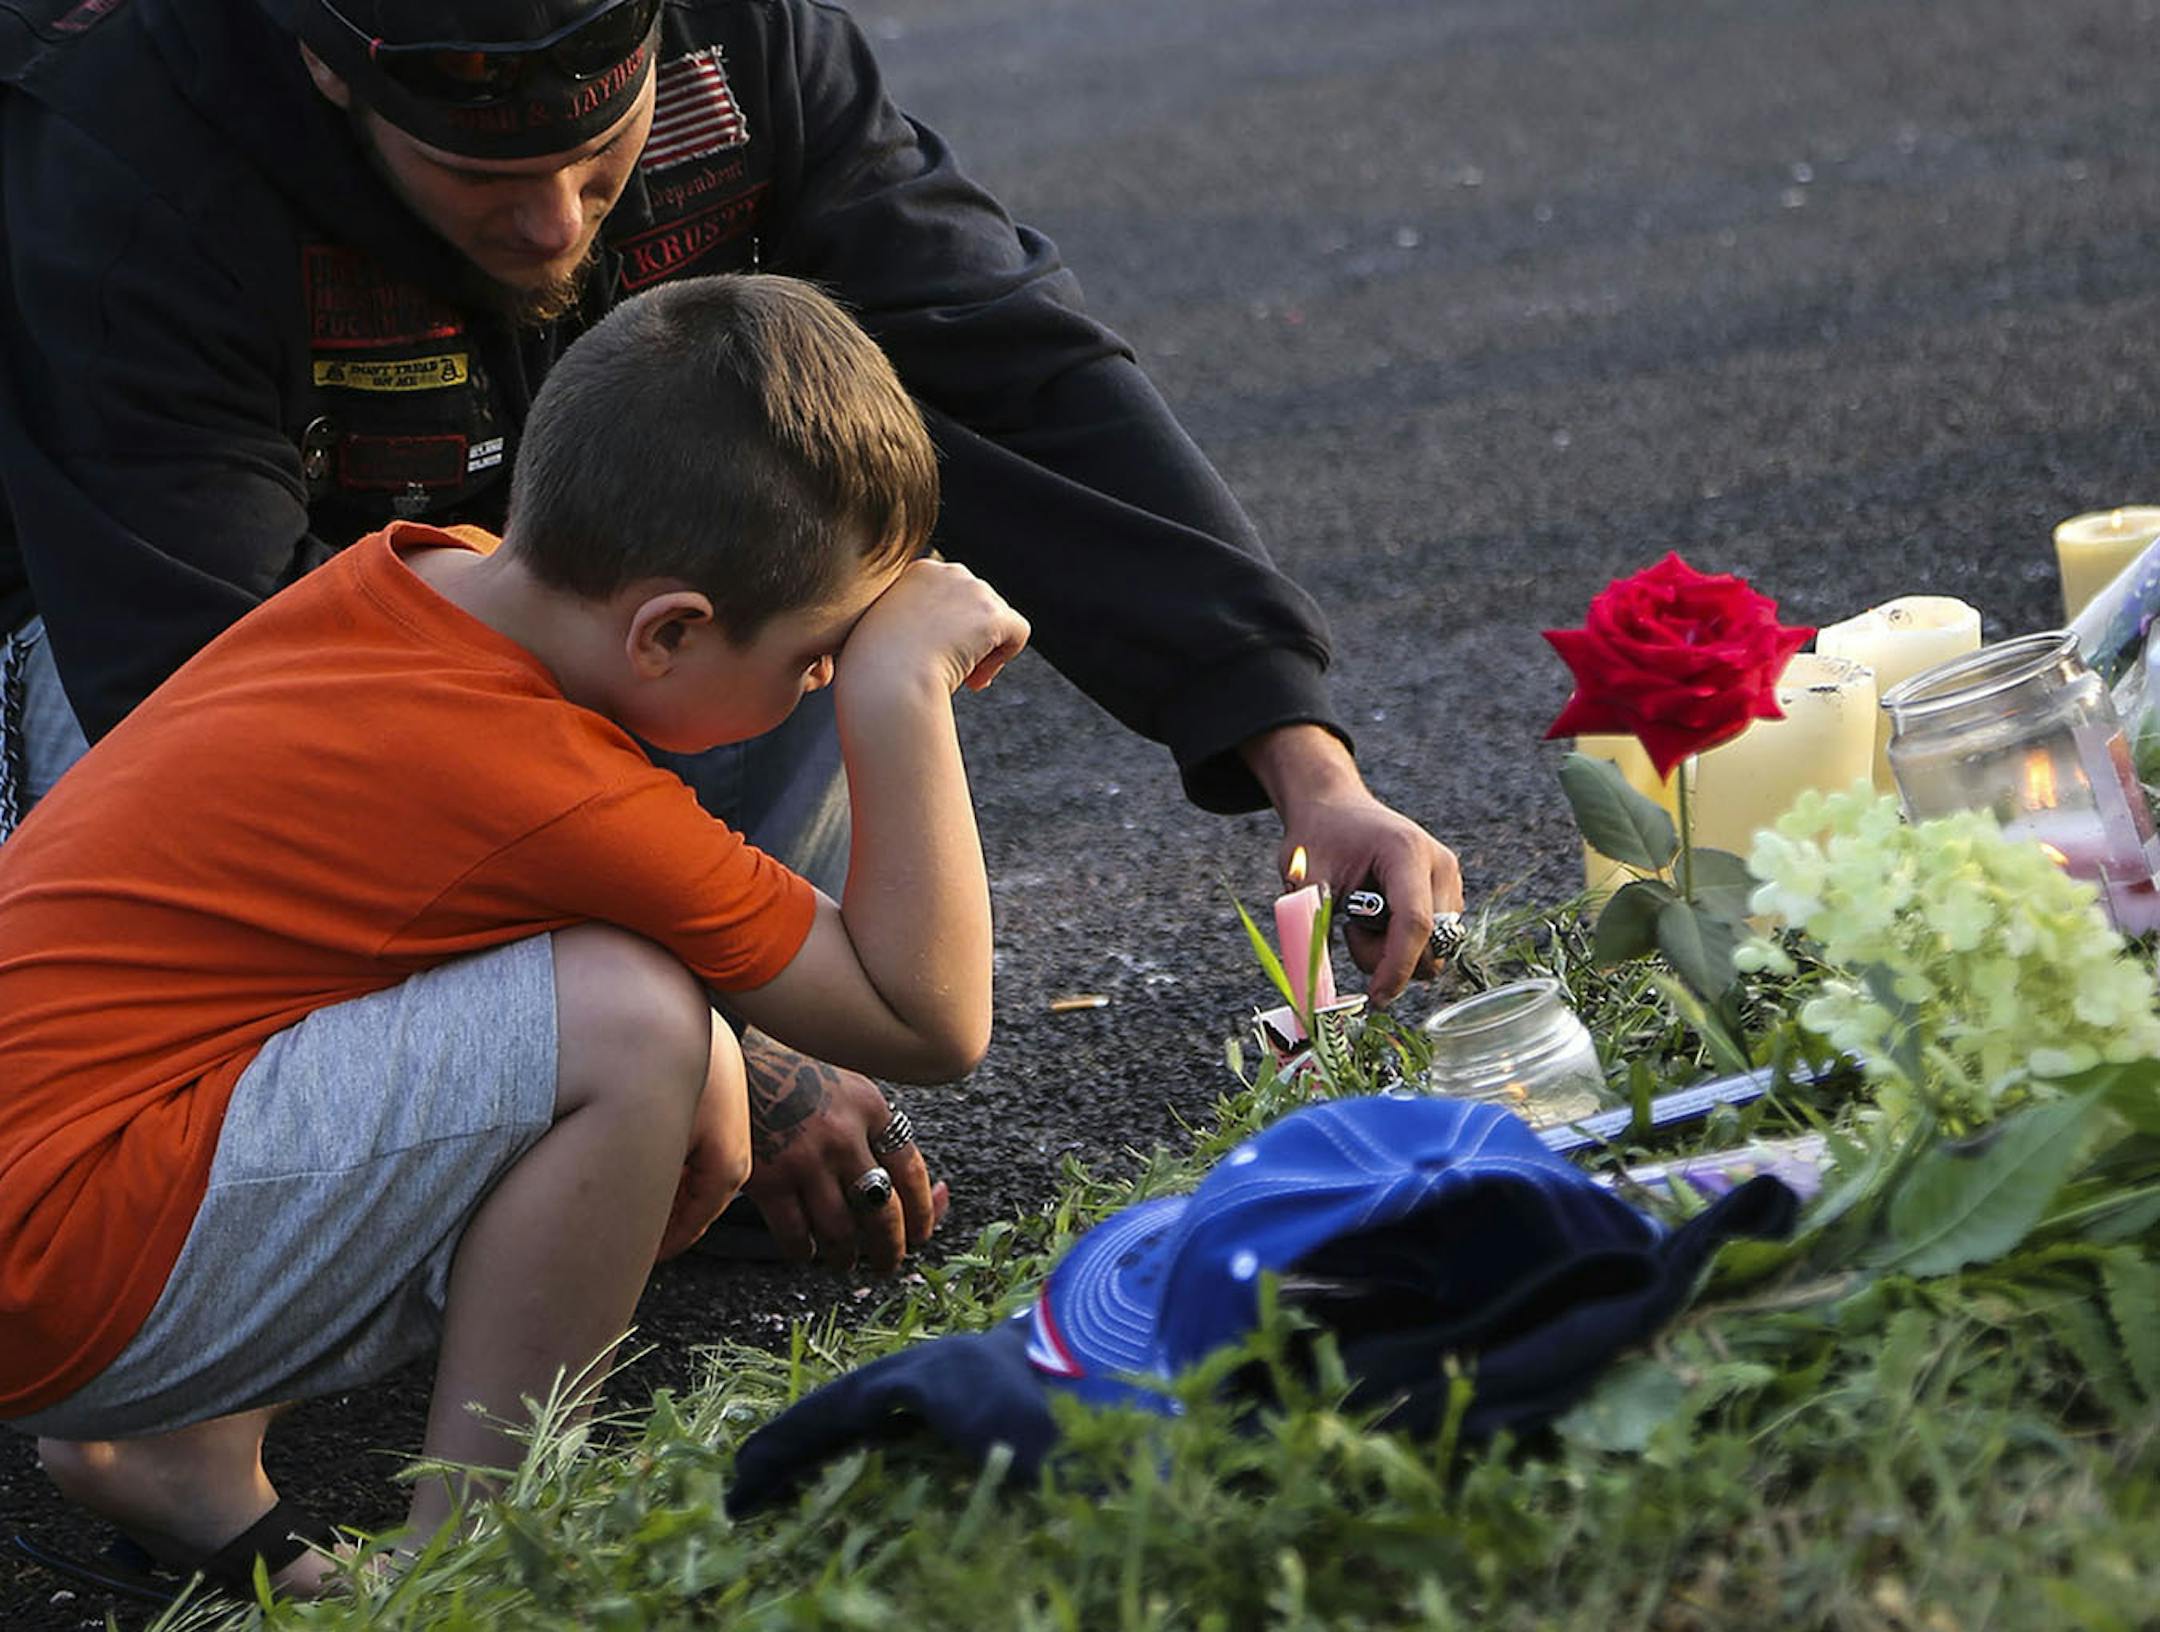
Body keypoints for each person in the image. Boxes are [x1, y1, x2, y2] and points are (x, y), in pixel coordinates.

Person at [0, 0, 1465, 1271]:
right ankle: (373, 1155)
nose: (555, 226)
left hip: (578, 646)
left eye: (595, 158)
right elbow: (225, 706)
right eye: (481, 176)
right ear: (335, 82)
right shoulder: (131, 144)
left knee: (827, 554)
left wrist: (1306, 764)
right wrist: (739, 1057)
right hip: (171, 686)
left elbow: (1018, 371)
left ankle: (601, 1103)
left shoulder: (746, 46)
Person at [0, 272, 1030, 1597]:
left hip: (62, 1169)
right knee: (633, 1021)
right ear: (669, 631)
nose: (822, 682)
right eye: (817, 659)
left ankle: (181, 1451)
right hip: (60, 1254)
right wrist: (900, 697)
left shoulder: (434, 577)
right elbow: (930, 1016)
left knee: (681, 1051)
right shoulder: (546, 779)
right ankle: (471, 1565)